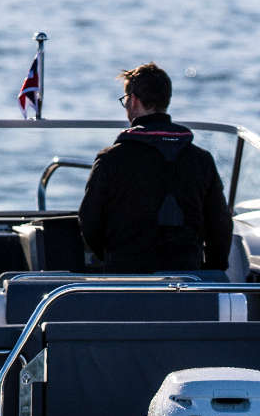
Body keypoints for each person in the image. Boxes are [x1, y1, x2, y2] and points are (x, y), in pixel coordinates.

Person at [78, 63, 233, 274]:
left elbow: (90, 223)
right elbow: (220, 227)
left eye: (125, 101)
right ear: (165, 101)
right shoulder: (202, 160)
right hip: (187, 282)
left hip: (125, 282)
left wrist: (112, 259)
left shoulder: (110, 159)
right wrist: (210, 272)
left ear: (133, 100)